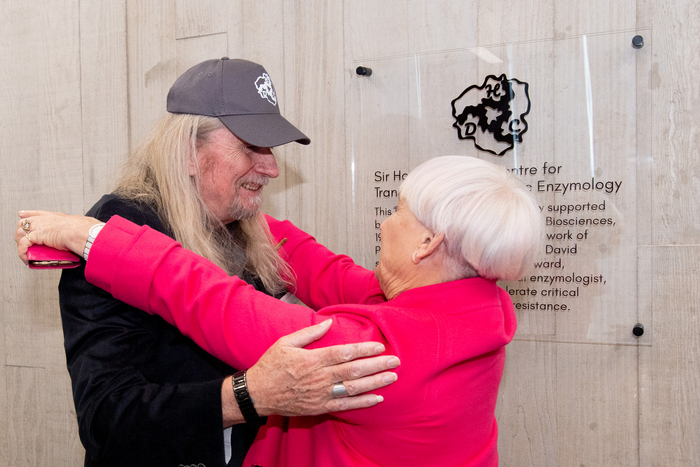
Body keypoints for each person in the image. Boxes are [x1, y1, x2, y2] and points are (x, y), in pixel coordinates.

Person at [17, 155, 543, 466]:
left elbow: (219, 304)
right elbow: (329, 273)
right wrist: (233, 210)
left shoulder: (376, 354)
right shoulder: (471, 309)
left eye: (398, 212)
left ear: (427, 242)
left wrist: (92, 237)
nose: (385, 223)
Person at [18, 58, 399, 467]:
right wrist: (248, 395)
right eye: (250, 146)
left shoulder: (245, 225)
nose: (271, 167)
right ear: (188, 153)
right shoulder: (119, 229)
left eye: (270, 147)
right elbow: (107, 419)